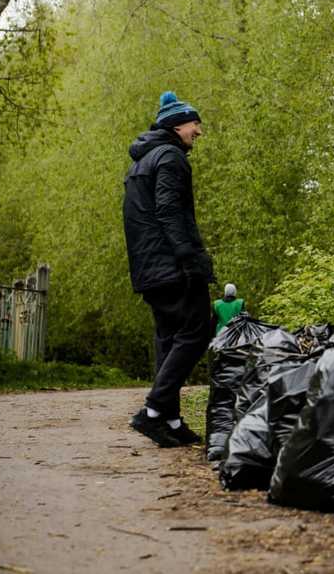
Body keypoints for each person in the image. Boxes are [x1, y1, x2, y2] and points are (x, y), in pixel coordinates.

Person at [123, 91, 214, 448]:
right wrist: (189, 258)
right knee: (197, 328)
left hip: (148, 267)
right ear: (178, 125)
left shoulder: (141, 162)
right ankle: (153, 410)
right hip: (171, 265)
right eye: (196, 124)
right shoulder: (171, 157)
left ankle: (169, 420)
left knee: (168, 337)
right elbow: (169, 211)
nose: (199, 132)